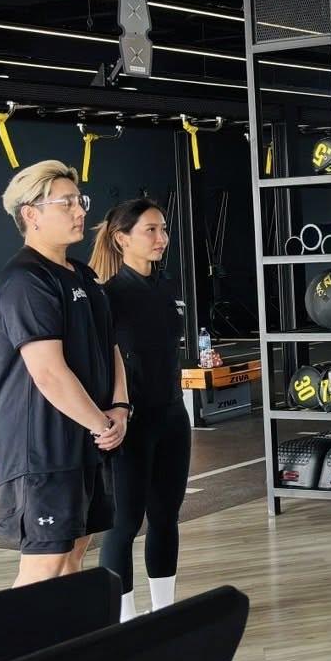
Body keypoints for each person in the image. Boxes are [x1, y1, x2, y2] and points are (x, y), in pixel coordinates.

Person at [0, 161, 128, 588]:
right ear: (31, 214)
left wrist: (120, 407)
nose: (80, 211)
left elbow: (111, 347)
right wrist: (101, 424)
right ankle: (9, 636)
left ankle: (68, 633)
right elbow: (48, 372)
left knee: (73, 557)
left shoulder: (82, 275)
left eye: (79, 201)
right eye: (66, 203)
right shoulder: (26, 280)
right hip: (43, 449)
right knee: (44, 566)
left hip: (87, 439)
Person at [92, 199, 189, 621]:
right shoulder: (108, 296)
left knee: (166, 518)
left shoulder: (166, 287)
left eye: (163, 229)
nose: (161, 238)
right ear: (122, 238)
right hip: (131, 424)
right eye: (150, 230)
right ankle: (124, 618)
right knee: (124, 523)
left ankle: (164, 611)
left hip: (172, 417)